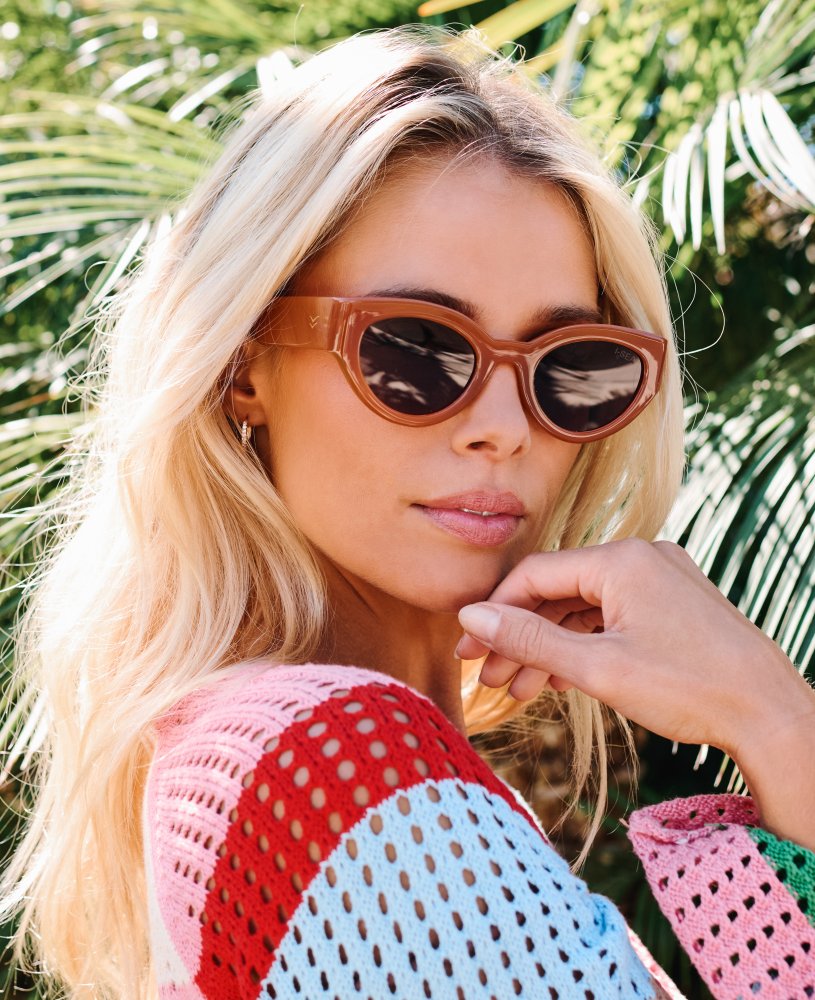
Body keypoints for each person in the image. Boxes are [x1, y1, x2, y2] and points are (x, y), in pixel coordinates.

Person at [2, 25, 813, 1000]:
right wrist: (775, 721)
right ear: (243, 364)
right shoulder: (334, 768)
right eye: (416, 350)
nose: (503, 428)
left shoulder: (321, 772)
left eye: (571, 368)